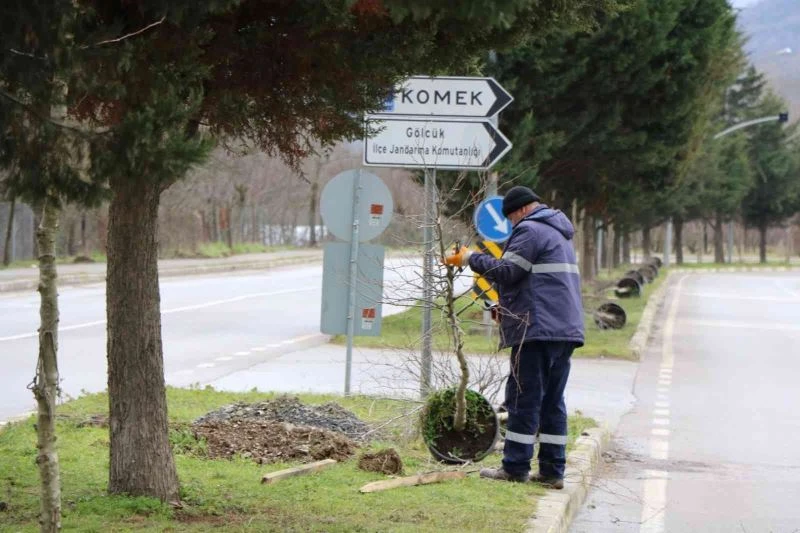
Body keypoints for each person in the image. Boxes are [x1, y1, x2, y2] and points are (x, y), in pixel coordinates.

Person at [444, 185, 584, 487]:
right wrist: (506, 308)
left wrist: (469, 258)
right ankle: (552, 471)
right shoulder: (558, 232)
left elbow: (508, 271)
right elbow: (540, 283)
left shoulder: (530, 230)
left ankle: (515, 467)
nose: (511, 224)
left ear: (518, 210)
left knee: (523, 398)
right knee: (552, 401)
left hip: (537, 330)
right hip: (563, 329)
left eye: (510, 219)